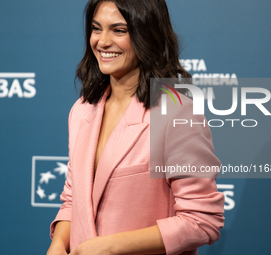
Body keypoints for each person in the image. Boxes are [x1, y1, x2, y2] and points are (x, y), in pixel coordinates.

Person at [47, 0, 225, 255]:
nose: (102, 41)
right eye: (97, 29)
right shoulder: (82, 110)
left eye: (119, 30)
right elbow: (74, 198)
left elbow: (201, 221)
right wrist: (58, 244)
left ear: (147, 35)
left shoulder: (176, 113)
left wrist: (110, 246)